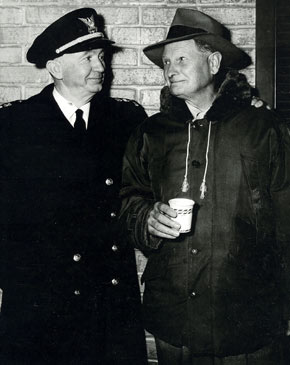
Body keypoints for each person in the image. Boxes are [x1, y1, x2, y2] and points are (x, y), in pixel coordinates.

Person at [119, 8, 290, 365]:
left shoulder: (264, 129)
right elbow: (129, 198)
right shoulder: (151, 133)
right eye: (165, 62)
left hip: (247, 319)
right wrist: (145, 219)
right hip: (174, 319)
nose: (170, 70)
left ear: (213, 62)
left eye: (181, 58)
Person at [0, 7, 147, 365]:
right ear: (55, 67)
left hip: (108, 300)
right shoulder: (14, 125)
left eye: (101, 56)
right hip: (41, 301)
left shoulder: (127, 120)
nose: (101, 66)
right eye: (88, 58)